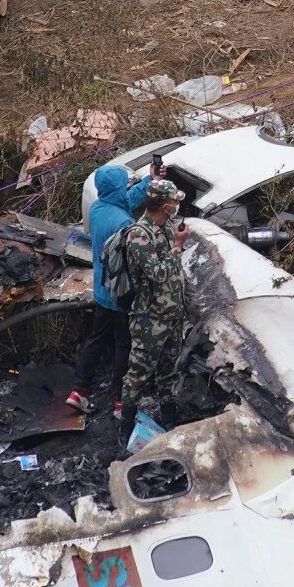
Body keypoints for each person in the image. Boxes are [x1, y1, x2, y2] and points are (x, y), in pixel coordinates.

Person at [117, 178, 193, 447]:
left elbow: (178, 276)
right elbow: (158, 273)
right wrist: (178, 246)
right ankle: (124, 433)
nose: (177, 205)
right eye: (174, 202)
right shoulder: (139, 235)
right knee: (138, 375)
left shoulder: (167, 227)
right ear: (164, 205)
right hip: (150, 320)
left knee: (169, 373)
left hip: (172, 317)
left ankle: (169, 422)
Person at [75, 161, 137, 409]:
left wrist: (148, 182)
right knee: (123, 343)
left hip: (102, 292)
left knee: (97, 339)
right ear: (119, 189)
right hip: (119, 295)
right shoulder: (124, 223)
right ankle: (119, 398)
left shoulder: (98, 209)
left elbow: (124, 202)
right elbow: (131, 264)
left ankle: (78, 390)